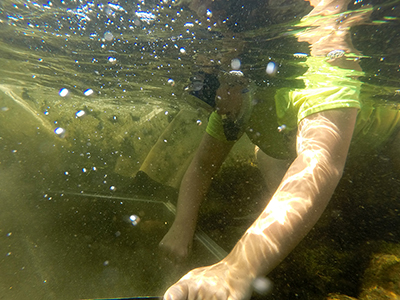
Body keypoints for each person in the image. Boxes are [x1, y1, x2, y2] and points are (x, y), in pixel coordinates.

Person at [159, 0, 400, 299]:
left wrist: (235, 269)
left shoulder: (318, 74)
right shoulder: (231, 112)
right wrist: (182, 226)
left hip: (389, 135)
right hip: (297, 146)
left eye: (214, 89)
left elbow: (320, 163)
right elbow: (201, 167)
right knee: (269, 154)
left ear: (237, 81)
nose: (215, 102)